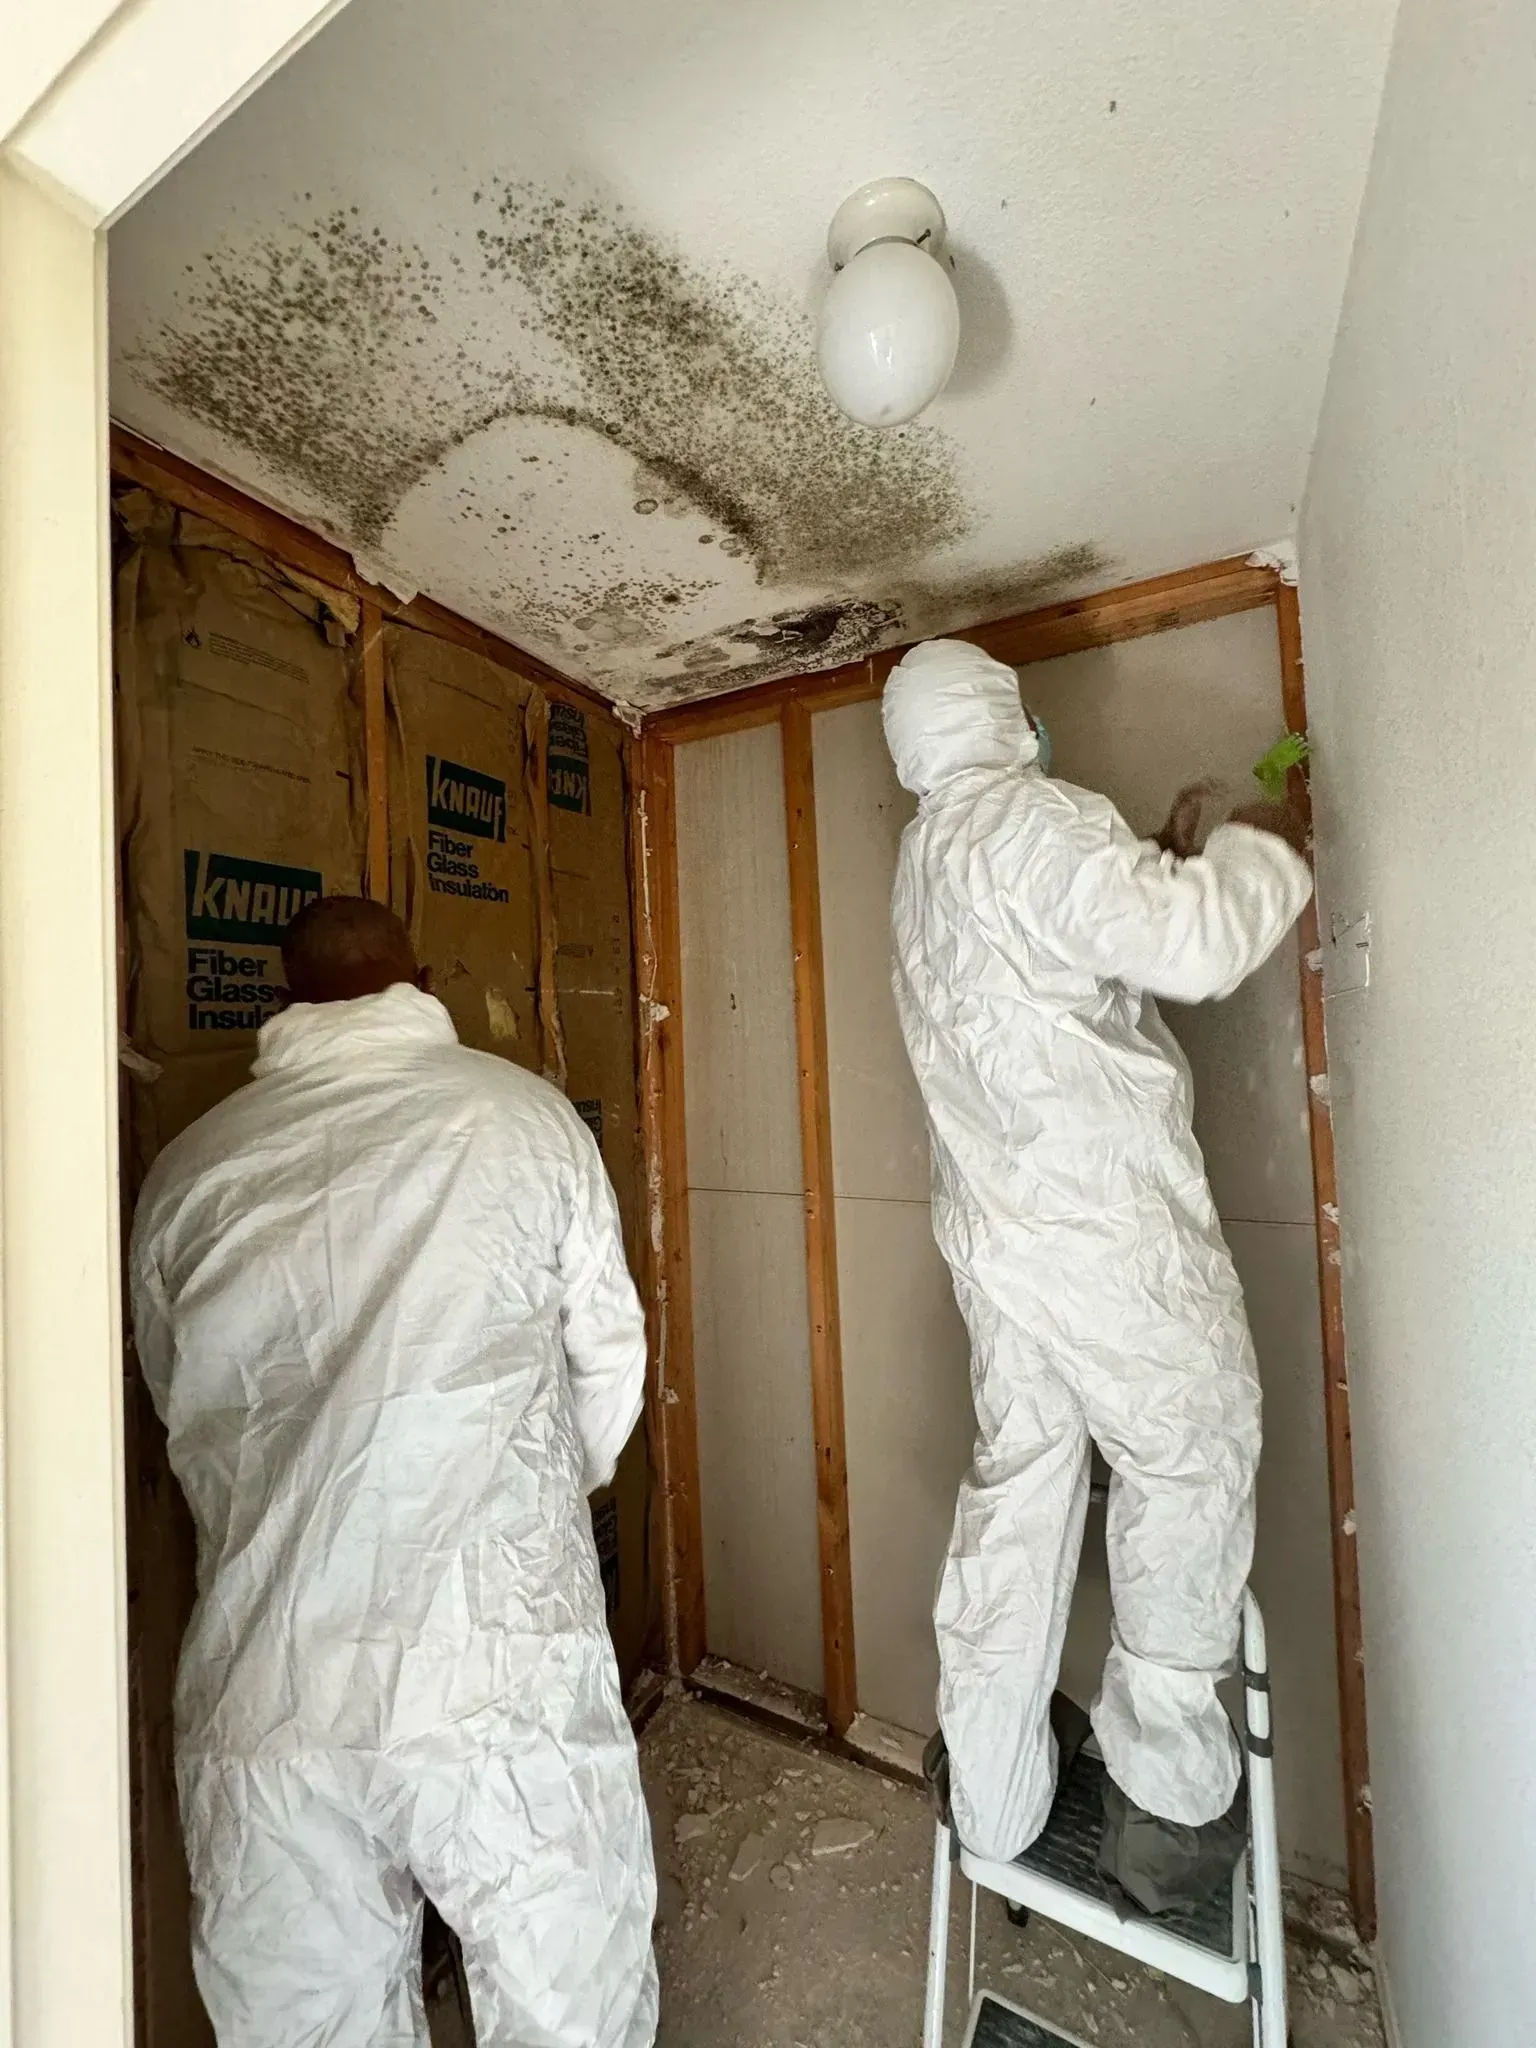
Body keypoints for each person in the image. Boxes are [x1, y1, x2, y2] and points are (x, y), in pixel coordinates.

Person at [130, 896, 657, 2046]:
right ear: (418, 981)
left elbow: (182, 1413)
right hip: (496, 1663)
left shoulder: (187, 1173)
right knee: (569, 2001)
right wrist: (533, 1508)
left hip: (272, 1682)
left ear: (284, 999)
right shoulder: (524, 1120)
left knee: (309, 2025)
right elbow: (609, 1364)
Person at [882, 638, 1313, 1908]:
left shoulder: (927, 861)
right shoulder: (1027, 818)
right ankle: (1166, 1828)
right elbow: (1194, 948)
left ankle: (995, 1793)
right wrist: (1267, 847)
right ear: (1000, 715)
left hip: (1000, 1234)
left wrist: (1153, 867)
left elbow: (1054, 983)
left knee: (1022, 1490)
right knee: (1189, 1453)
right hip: (1105, 1225)